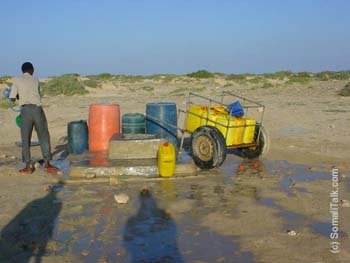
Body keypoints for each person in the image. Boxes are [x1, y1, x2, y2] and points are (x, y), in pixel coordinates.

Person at [9, 62, 58, 174]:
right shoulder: (35, 80)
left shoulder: (16, 79)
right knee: (44, 136)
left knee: (25, 138)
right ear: (31, 70)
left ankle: (27, 166)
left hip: (25, 111)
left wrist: (17, 96)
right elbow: (36, 94)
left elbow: (12, 98)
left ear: (22, 70)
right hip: (37, 110)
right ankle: (47, 164)